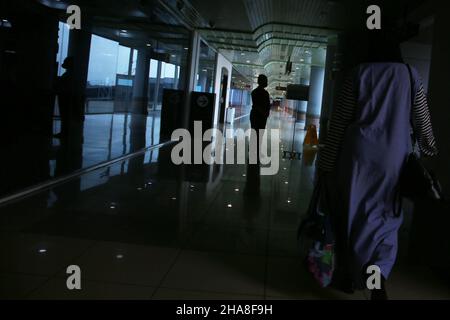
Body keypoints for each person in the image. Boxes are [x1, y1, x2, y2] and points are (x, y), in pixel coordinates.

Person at [317, 29, 438, 300]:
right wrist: (425, 149)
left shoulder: (358, 74)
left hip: (357, 160)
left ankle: (349, 273)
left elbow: (338, 124)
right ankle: (377, 276)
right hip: (394, 161)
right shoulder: (410, 76)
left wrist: (325, 164)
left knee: (355, 217)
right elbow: (423, 122)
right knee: (386, 220)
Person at [250, 74, 271, 163]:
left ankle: (253, 151)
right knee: (259, 134)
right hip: (260, 116)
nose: (267, 82)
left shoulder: (254, 92)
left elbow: (256, 105)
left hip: (255, 115)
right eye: (266, 80)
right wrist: (265, 113)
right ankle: (256, 151)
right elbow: (266, 105)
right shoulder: (265, 93)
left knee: (254, 132)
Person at [54, 57, 75, 139]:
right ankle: (65, 132)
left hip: (64, 96)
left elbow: (62, 84)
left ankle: (64, 132)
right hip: (66, 96)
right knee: (66, 116)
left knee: (65, 116)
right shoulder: (70, 74)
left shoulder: (67, 75)